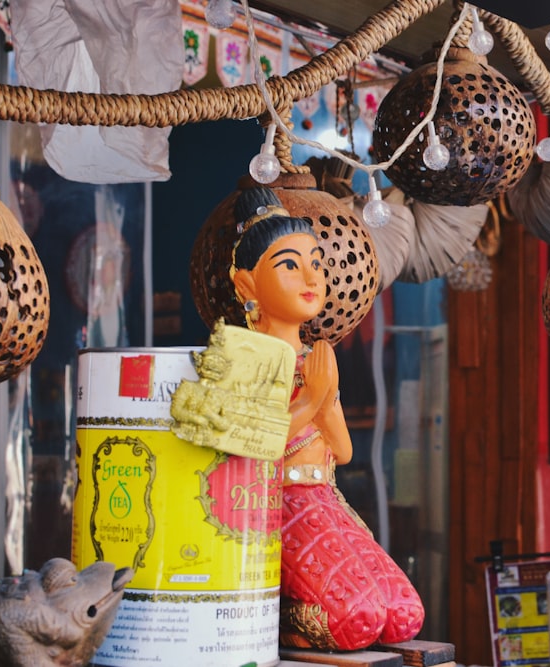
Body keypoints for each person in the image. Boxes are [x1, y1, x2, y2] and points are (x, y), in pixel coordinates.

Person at [229, 186, 424, 651]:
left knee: (402, 614)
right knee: (356, 619)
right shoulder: (245, 358)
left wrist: (327, 397)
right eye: (289, 265)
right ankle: (276, 615)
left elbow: (344, 450)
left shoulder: (317, 356)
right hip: (280, 506)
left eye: (315, 262)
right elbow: (252, 446)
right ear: (247, 285)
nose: (309, 276)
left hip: (326, 498)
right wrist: (311, 399)